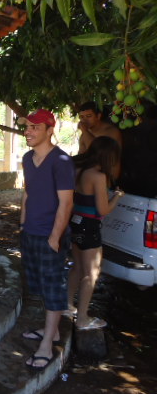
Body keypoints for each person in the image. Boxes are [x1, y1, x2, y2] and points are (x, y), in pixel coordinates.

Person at [18, 109, 74, 370]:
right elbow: (28, 192)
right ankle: (53, 331)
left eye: (35, 127)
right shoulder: (27, 158)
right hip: (30, 232)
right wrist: (22, 224)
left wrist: (54, 238)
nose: (28, 131)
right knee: (40, 286)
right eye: (27, 127)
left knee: (53, 289)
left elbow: (66, 203)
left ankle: (47, 346)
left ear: (50, 130)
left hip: (51, 236)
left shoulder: (61, 161)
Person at [67, 136, 123, 330]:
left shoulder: (78, 169)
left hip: (75, 222)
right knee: (91, 273)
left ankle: (67, 306)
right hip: (89, 227)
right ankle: (82, 319)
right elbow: (103, 209)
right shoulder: (98, 176)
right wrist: (117, 197)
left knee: (77, 268)